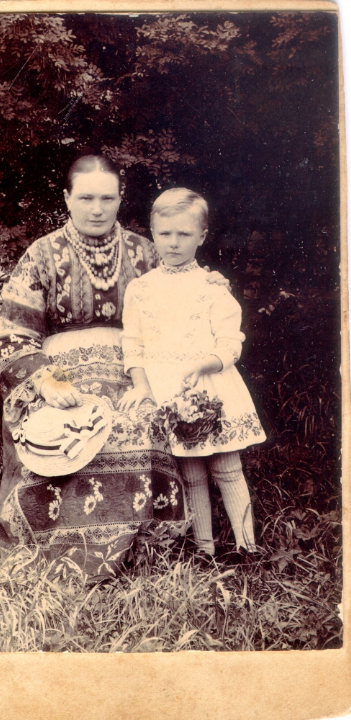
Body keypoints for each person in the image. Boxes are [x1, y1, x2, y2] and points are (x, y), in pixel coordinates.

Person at [0, 157, 228, 578]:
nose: (96, 209)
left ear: (121, 199)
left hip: (136, 369)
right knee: (72, 432)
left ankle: (148, 549)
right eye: (86, 198)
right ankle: (56, 546)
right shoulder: (41, 255)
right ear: (67, 199)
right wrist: (45, 382)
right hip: (59, 373)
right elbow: (13, 335)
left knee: (139, 423)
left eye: (107, 198)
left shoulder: (147, 252)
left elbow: (188, 296)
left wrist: (211, 286)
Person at [120, 188, 266, 558]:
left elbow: (230, 344)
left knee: (226, 466)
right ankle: (205, 549)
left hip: (211, 387)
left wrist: (204, 363)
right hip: (169, 392)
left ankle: (248, 548)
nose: (173, 243)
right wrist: (141, 384)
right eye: (165, 233)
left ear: (201, 236)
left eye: (184, 234)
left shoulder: (212, 287)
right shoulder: (140, 289)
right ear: (153, 233)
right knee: (191, 473)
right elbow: (132, 342)